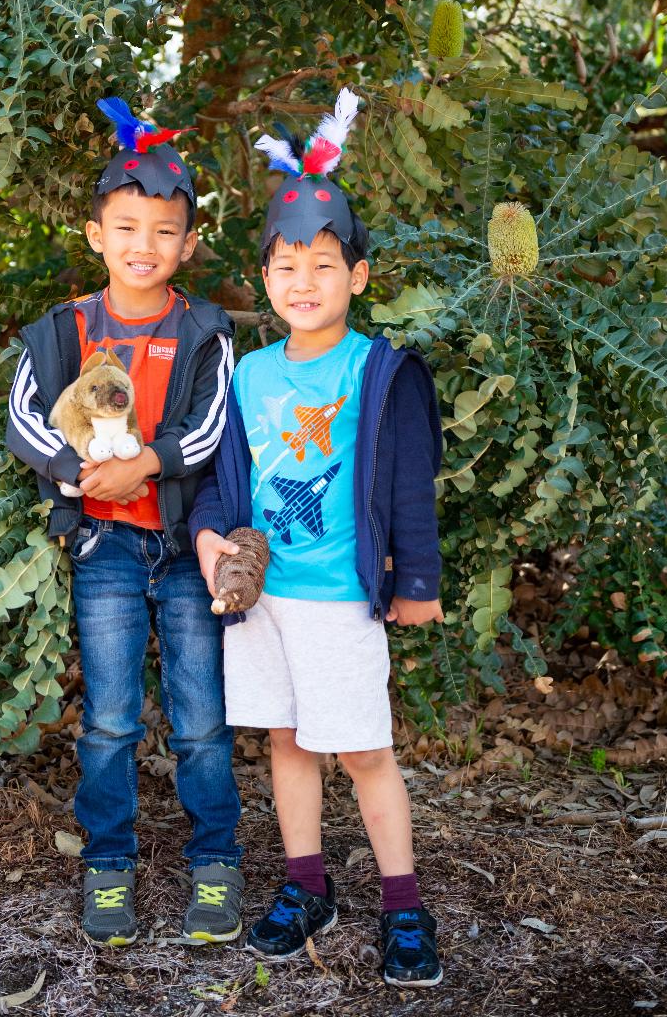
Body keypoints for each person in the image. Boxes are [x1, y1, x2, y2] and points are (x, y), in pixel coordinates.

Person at [189, 89, 445, 986]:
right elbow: (223, 477)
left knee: (364, 750)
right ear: (266, 279)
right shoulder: (251, 373)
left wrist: (417, 580)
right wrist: (210, 540)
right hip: (267, 598)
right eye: (287, 265)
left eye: (325, 265)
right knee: (286, 741)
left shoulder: (381, 371)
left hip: (340, 597)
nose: (305, 282)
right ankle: (307, 887)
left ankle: (404, 910)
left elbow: (410, 484)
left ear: (358, 277)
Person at [5, 97, 243, 948]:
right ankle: (109, 867)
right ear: (97, 233)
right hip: (104, 547)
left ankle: (216, 864)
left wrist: (147, 463)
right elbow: (23, 419)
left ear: (187, 243)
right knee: (110, 716)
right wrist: (75, 472)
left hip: (184, 549)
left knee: (200, 719)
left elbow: (213, 424)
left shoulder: (203, 331)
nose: (145, 245)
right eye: (127, 226)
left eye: (164, 231)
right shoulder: (66, 330)